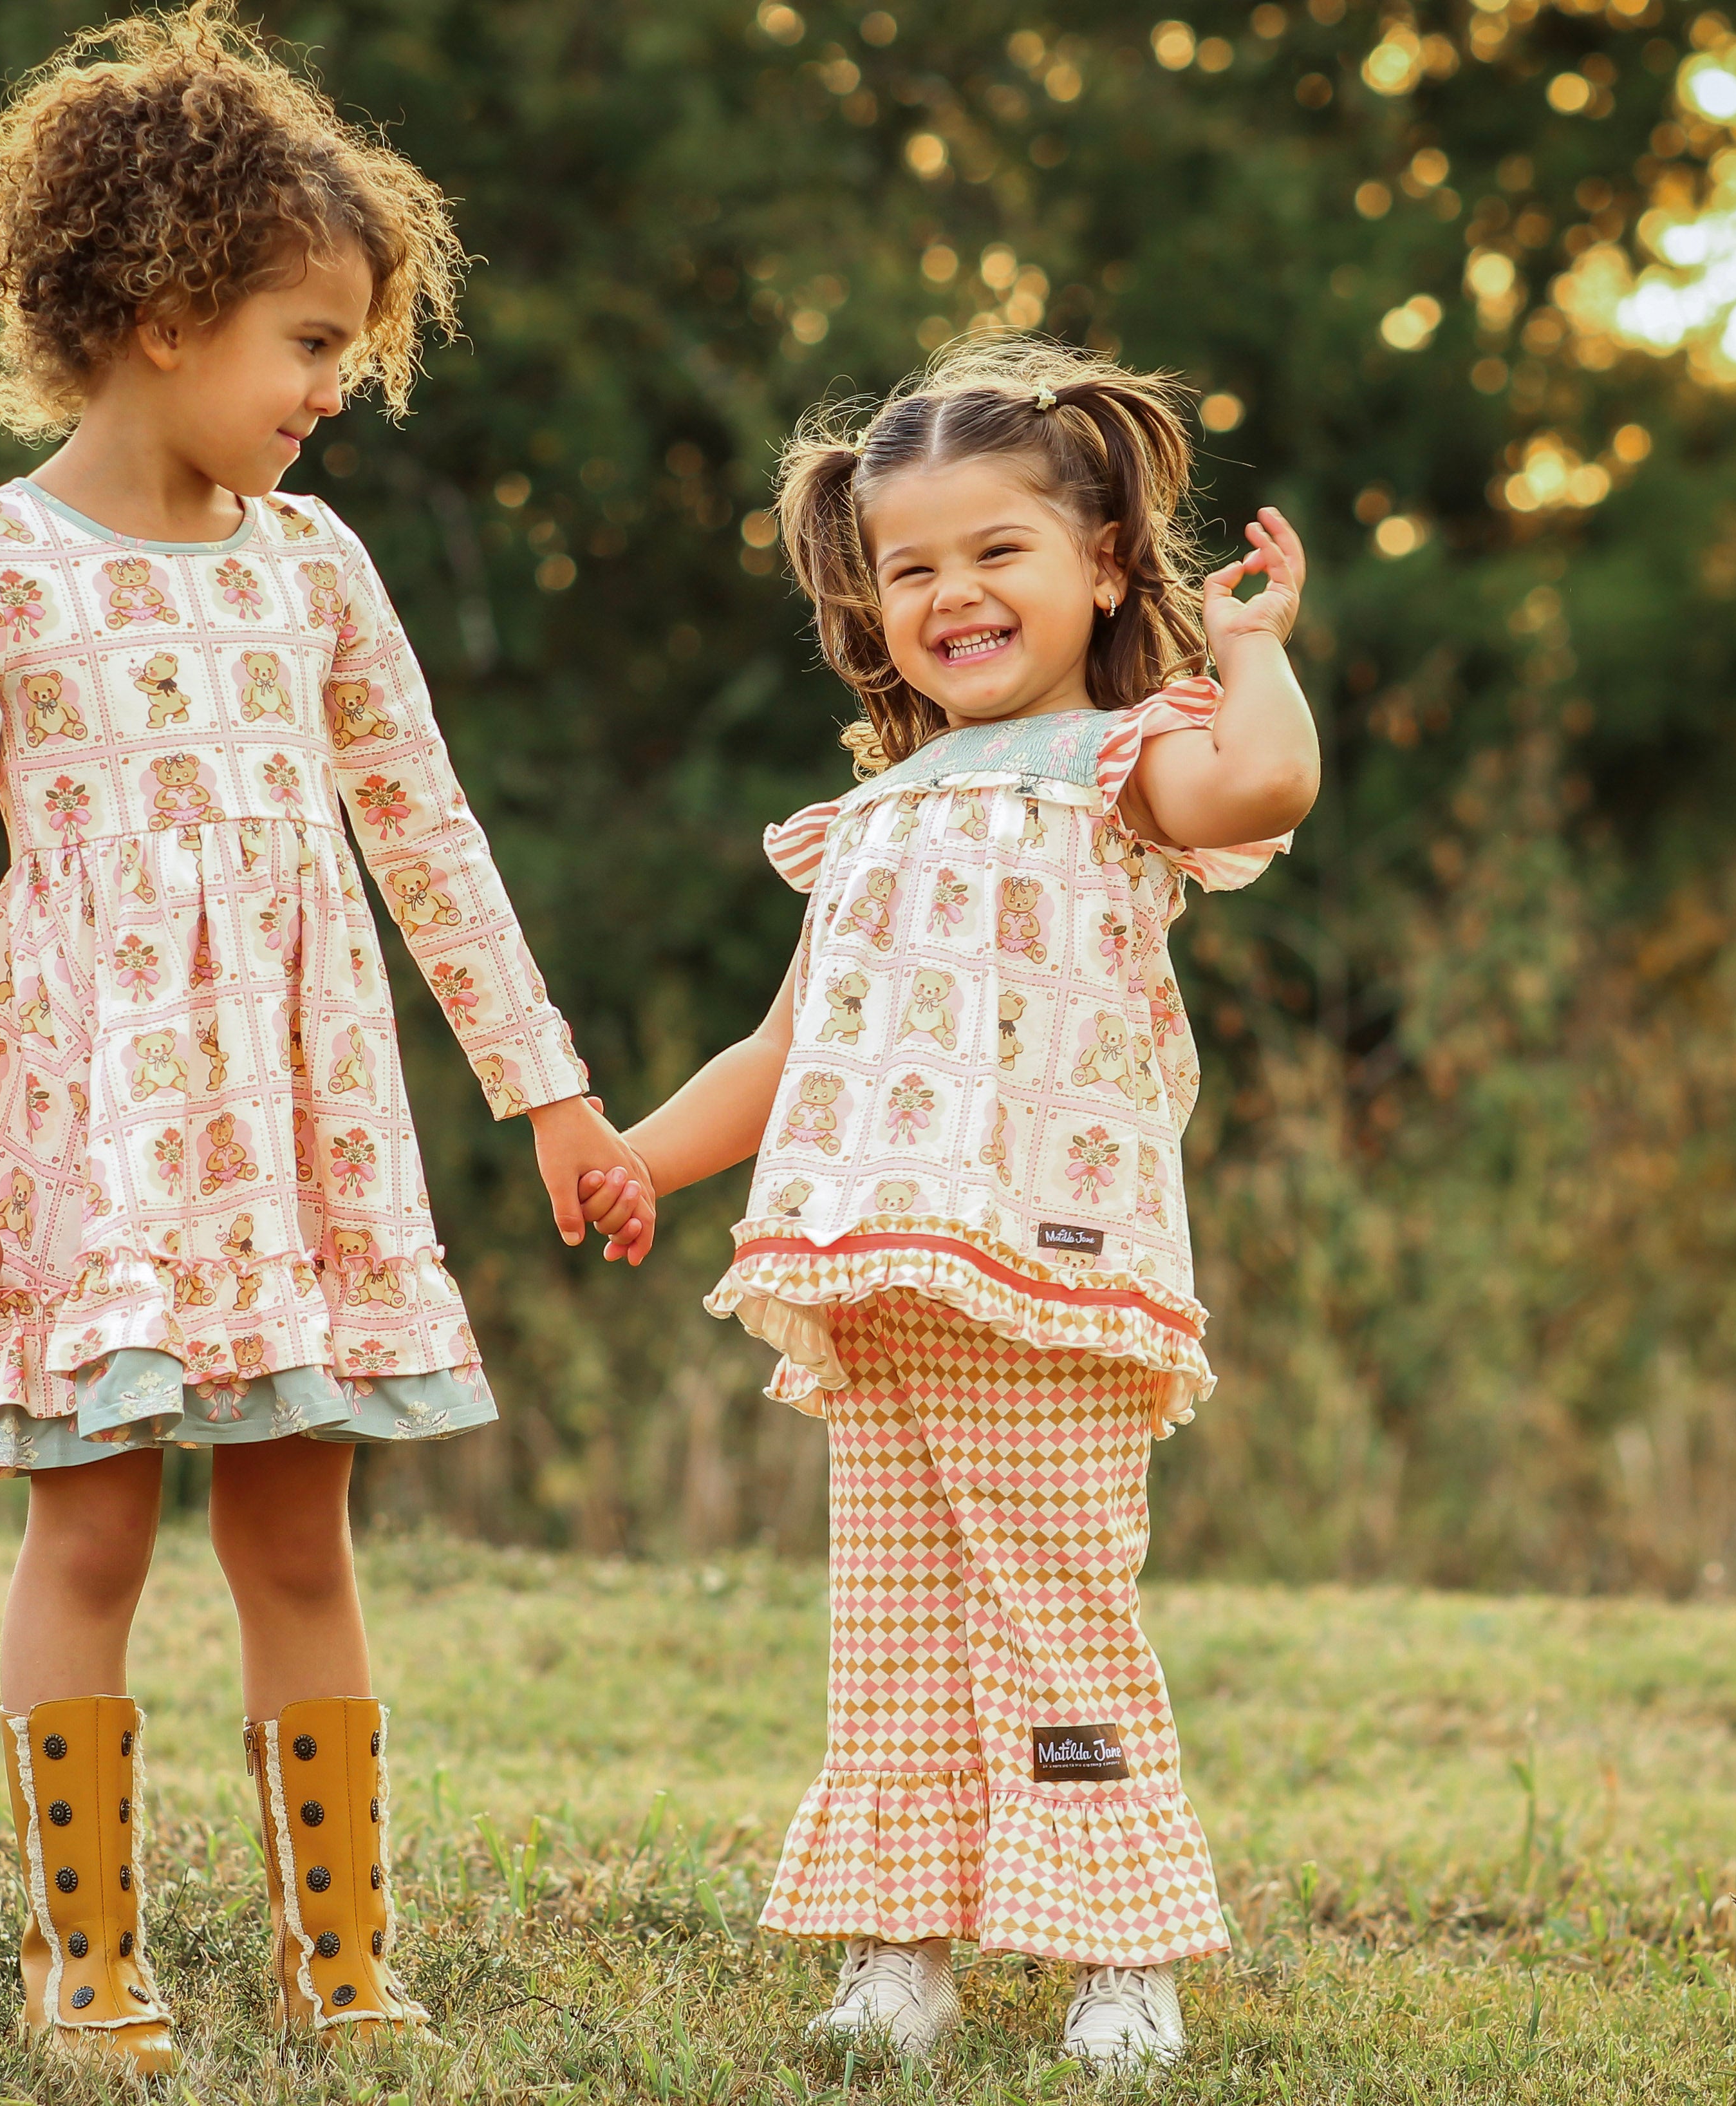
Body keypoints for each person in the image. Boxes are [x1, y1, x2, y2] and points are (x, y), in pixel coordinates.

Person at [0, 6, 649, 2070]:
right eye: (309, 346)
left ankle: (340, 1952)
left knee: (299, 1524)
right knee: (94, 1518)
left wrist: (552, 1099)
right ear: (154, 310)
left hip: (300, 1129)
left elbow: (427, 836)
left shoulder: (314, 570)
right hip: (91, 1131)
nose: (335, 394)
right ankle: (87, 1959)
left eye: (349, 354)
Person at [598, 337, 1319, 2071]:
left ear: (1099, 567)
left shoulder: (1119, 761)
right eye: (909, 567)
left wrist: (1251, 653)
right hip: (877, 1270)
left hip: (1048, 1263)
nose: (952, 593)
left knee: (1060, 1603)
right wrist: (636, 1154)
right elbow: (782, 1046)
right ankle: (898, 1952)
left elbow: (1267, 788)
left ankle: (1116, 1952)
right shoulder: (867, 815)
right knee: (900, 1626)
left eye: (996, 551)